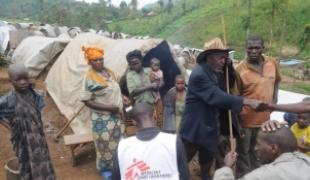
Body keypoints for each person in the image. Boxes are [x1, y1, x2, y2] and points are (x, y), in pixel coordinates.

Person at [179, 42, 263, 180]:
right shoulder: (199, 73)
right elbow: (216, 96)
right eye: (221, 58)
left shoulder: (215, 71)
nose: (223, 61)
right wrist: (247, 101)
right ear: (209, 57)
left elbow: (228, 84)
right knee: (180, 165)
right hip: (194, 130)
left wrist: (229, 66)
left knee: (206, 166)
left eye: (225, 58)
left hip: (210, 130)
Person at [235, 35, 281, 176]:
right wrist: (237, 123)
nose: (253, 51)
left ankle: (258, 176)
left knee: (261, 152)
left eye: (257, 47)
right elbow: (235, 98)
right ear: (245, 49)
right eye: (250, 48)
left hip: (265, 121)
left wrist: (274, 100)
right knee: (243, 152)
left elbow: (277, 81)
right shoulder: (239, 69)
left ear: (263, 48)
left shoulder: (272, 63)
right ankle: (245, 176)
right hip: (246, 121)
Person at [0, 64, 56, 180]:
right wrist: (10, 127)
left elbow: (37, 112)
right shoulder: (9, 99)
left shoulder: (36, 95)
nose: (23, 82)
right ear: (11, 81)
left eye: (25, 78)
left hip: (38, 137)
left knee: (42, 159)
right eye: (18, 79)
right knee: (25, 161)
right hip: (22, 139)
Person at [112, 102, 190, 180]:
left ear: (133, 122)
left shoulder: (122, 147)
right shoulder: (173, 141)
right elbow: (185, 176)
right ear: (155, 115)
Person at [80, 46, 123, 179]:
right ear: (90, 62)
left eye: (100, 59)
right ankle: (106, 170)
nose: (99, 62)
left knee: (119, 143)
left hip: (117, 117)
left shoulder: (109, 72)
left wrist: (122, 99)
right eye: (95, 60)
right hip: (102, 119)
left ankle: (119, 166)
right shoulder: (89, 77)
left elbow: (115, 89)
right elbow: (86, 101)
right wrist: (108, 108)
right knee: (104, 146)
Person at [214, 121, 310, 180]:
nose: (255, 148)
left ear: (273, 148)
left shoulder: (265, 175)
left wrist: (226, 168)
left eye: (258, 144)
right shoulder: (305, 160)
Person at [149, 57, 164, 128]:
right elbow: (150, 81)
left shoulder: (160, 72)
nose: (157, 67)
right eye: (155, 65)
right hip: (152, 88)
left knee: (159, 108)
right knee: (152, 90)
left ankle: (159, 124)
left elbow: (161, 80)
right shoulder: (149, 72)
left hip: (157, 87)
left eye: (158, 65)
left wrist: (160, 84)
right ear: (151, 65)